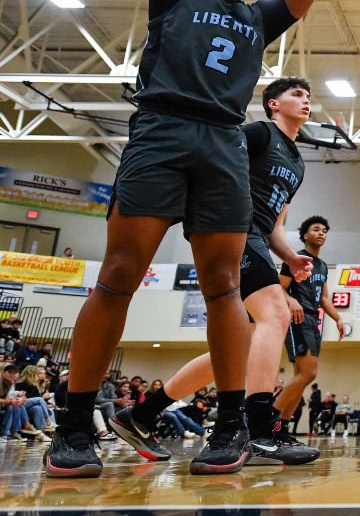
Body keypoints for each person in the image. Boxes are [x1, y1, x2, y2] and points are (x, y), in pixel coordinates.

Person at [45, 0, 358, 480]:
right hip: (161, 128)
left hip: (220, 141)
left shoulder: (263, 17)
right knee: (119, 275)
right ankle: (73, 429)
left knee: (223, 284)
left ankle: (230, 428)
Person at [109, 78, 321, 468]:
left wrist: (290, 256)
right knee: (273, 315)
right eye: (296, 95)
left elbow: (274, 221)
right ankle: (260, 428)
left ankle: (140, 414)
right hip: (230, 229)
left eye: (308, 96)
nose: (306, 101)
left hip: (257, 234)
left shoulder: (298, 161)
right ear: (273, 105)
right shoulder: (258, 134)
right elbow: (212, 169)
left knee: (240, 345)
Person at [275, 216, 347, 430]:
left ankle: (282, 427)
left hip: (313, 321)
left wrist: (339, 318)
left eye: (324, 230)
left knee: (302, 377)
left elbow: (324, 298)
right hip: (297, 319)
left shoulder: (323, 266)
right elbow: (278, 289)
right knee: (309, 373)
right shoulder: (295, 259)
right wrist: (292, 301)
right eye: (316, 229)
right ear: (305, 235)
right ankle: (268, 418)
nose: (321, 232)